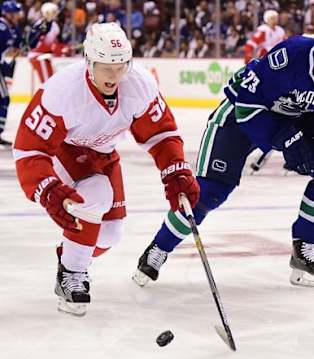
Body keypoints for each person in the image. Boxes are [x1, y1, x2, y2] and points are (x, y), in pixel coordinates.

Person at [133, 11, 314, 290]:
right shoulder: (291, 55)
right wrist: (285, 139)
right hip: (243, 116)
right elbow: (246, 104)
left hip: (298, 115)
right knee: (210, 191)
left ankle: (304, 249)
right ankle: (159, 248)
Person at [13, 22, 200, 316]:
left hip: (103, 154)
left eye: (121, 66)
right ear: (89, 62)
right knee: (96, 193)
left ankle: (72, 257)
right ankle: (70, 275)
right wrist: (47, 189)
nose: (114, 76)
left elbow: (161, 134)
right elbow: (29, 148)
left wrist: (175, 171)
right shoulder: (63, 91)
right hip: (66, 150)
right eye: (105, 67)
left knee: (110, 234)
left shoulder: (139, 84)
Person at [0, 0, 23, 147]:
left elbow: (17, 46)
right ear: (7, 13)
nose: (17, 15)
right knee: (4, 99)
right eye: (15, 13)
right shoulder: (2, 27)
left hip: (1, 66)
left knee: (4, 99)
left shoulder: (11, 27)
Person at [27, 2, 61, 84]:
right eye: (53, 12)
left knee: (52, 80)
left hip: (45, 55)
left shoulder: (54, 25)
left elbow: (54, 42)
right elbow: (32, 44)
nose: (55, 14)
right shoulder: (41, 24)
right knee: (48, 82)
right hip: (38, 56)